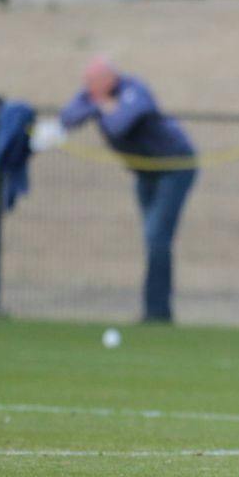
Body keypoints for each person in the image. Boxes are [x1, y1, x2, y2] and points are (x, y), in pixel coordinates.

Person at [58, 58, 197, 323]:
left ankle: (157, 313)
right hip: (145, 174)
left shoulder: (134, 89)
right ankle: (156, 310)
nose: (87, 89)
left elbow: (119, 124)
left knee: (157, 237)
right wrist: (102, 105)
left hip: (175, 167)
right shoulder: (95, 96)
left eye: (92, 83)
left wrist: (98, 107)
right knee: (152, 239)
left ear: (108, 79)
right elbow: (68, 117)